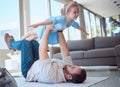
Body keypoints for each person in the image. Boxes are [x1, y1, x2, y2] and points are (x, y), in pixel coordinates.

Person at [4, 25, 86, 84]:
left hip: (29, 70)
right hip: (38, 63)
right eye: (75, 66)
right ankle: (16, 46)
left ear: (69, 76)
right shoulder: (69, 68)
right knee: (33, 42)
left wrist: (47, 29)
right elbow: (65, 51)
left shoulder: (52, 75)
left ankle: (11, 44)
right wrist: (60, 32)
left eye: (73, 68)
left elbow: (42, 51)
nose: (72, 65)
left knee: (25, 43)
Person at [21, 1, 89, 44]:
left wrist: (85, 32)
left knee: (35, 37)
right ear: (68, 12)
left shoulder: (72, 22)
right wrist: (37, 24)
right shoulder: (62, 18)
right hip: (46, 26)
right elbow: (49, 21)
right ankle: (21, 39)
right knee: (33, 32)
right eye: (75, 12)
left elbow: (79, 27)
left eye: (78, 12)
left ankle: (23, 43)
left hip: (51, 32)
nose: (77, 14)